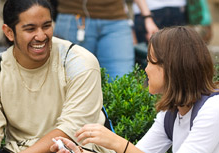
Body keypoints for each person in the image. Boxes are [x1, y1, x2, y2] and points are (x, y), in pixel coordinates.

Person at [50, 26, 219, 153]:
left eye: (150, 62)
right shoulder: (171, 113)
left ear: (171, 68)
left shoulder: (213, 109)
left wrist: (116, 142)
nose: (146, 69)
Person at [0, 0, 115, 153]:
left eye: (46, 26)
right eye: (30, 29)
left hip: (75, 149)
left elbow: (71, 130)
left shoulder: (79, 61)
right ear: (9, 32)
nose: (41, 36)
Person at [53, 0, 158, 79]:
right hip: (74, 18)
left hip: (116, 20)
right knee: (74, 80)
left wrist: (147, 16)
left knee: (121, 82)